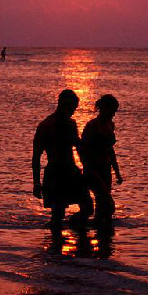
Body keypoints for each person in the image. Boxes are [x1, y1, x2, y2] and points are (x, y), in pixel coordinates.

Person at [32, 89, 93, 237]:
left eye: (74, 109)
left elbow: (78, 147)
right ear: (61, 104)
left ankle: (76, 230)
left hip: (71, 171)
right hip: (55, 174)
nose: (72, 112)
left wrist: (87, 168)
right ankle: (57, 244)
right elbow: (36, 156)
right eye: (71, 108)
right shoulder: (46, 125)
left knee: (88, 207)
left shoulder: (71, 124)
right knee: (58, 215)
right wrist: (37, 183)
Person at [80, 94, 123, 225]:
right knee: (107, 202)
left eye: (115, 111)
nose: (113, 114)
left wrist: (117, 172)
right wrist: (89, 169)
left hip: (106, 169)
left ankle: (102, 230)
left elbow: (110, 150)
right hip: (93, 170)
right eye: (112, 111)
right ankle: (87, 224)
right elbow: (83, 150)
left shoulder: (110, 125)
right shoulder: (92, 126)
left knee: (103, 205)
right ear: (103, 108)